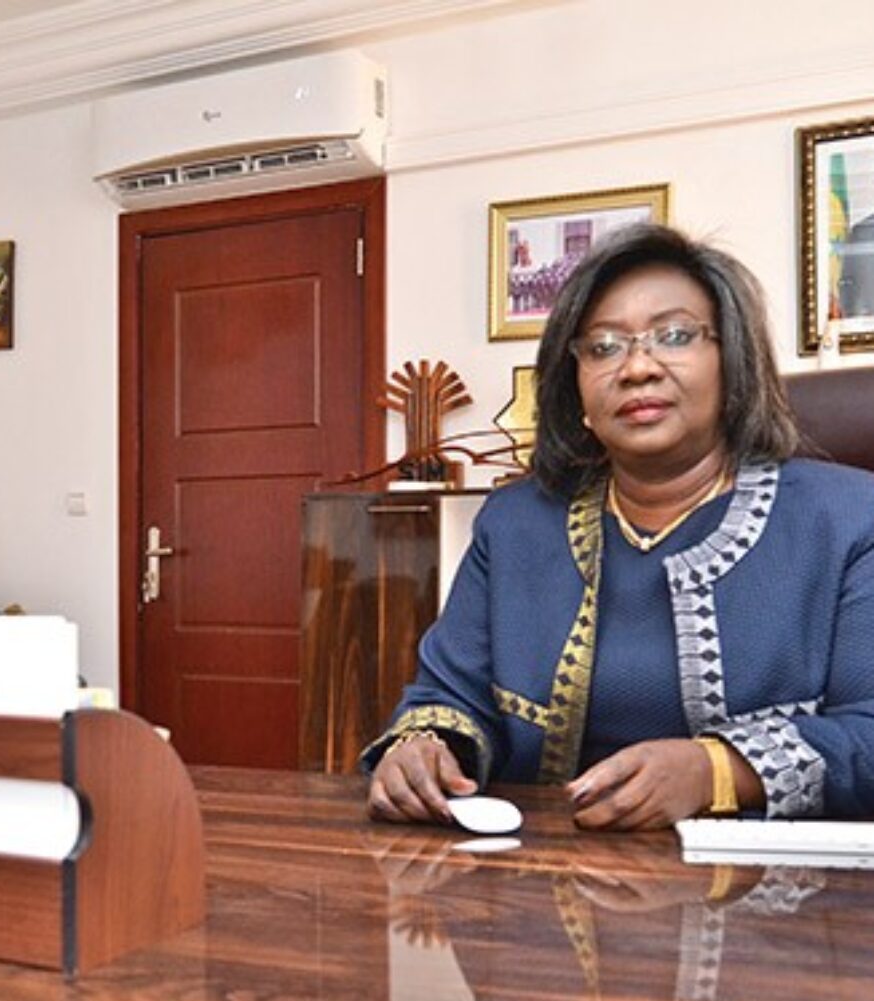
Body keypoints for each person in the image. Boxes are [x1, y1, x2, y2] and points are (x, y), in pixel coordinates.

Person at [362, 222, 874, 830]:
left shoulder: (849, 519)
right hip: (541, 867)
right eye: (603, 347)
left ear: (732, 362)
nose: (636, 368)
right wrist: (423, 749)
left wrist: (717, 771)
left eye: (675, 336)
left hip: (773, 877)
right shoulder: (515, 523)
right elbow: (448, 696)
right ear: (574, 384)